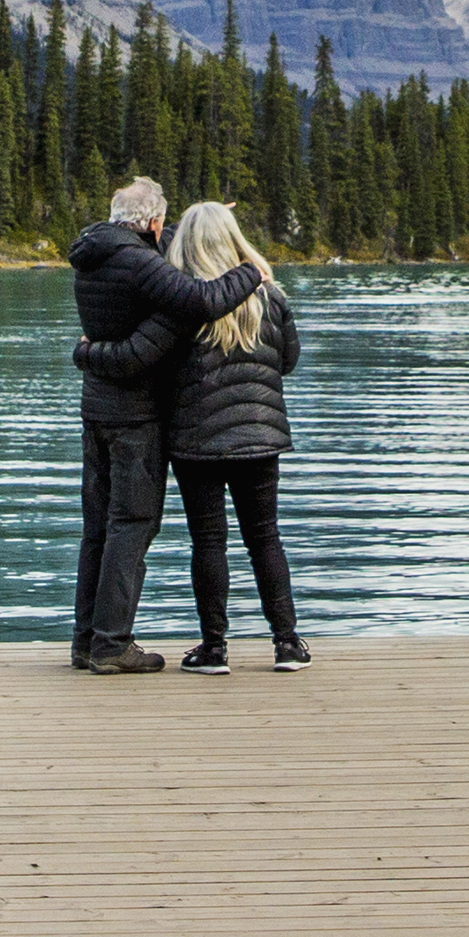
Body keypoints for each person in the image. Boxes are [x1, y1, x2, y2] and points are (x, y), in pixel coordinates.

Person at [60, 175, 260, 672]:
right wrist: (250, 271)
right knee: (132, 525)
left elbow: (159, 252)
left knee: (97, 531)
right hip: (135, 417)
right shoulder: (137, 262)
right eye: (162, 223)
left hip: (97, 412)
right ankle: (111, 644)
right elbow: (204, 301)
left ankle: (86, 641)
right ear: (152, 222)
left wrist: (196, 216)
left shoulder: (98, 251)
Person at [139, 198, 303, 673]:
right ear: (235, 239)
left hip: (197, 439)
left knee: (208, 542)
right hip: (259, 435)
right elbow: (287, 362)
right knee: (265, 538)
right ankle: (287, 643)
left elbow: (161, 367)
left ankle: (214, 648)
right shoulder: (270, 296)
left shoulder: (180, 301)